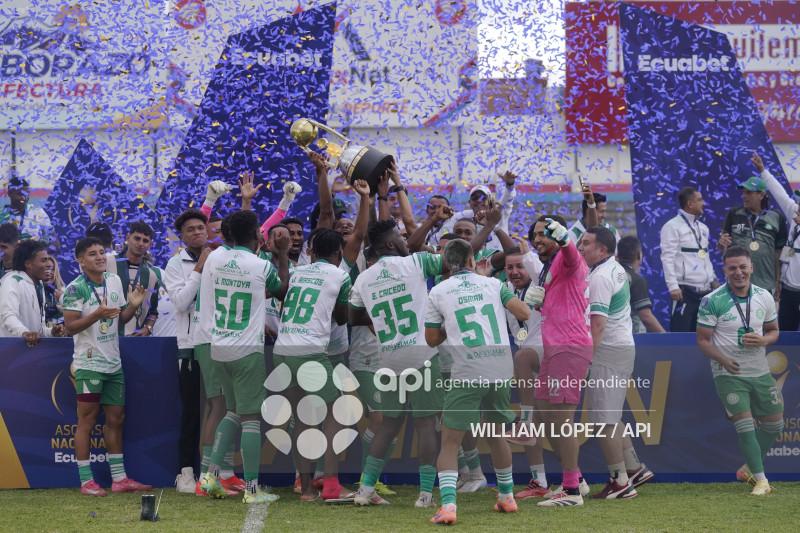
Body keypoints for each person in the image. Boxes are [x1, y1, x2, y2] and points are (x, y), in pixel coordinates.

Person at [425, 238, 530, 524]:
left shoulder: (438, 291)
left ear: (447, 263)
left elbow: (432, 340)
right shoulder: (493, 285)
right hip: (499, 368)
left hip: (467, 372)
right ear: (472, 261)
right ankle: (507, 498)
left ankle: (448, 507)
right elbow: (524, 312)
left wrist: (451, 325)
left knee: (449, 442)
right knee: (496, 434)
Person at [350, 219, 446, 507]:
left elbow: (353, 317)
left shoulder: (364, 277)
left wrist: (378, 322)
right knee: (426, 425)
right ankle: (426, 496)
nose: (407, 240)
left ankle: (365, 491)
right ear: (391, 244)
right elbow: (457, 260)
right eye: (400, 237)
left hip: (388, 359)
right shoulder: (415, 263)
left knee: (389, 425)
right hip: (422, 357)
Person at [200, 210, 290, 504]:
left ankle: (211, 477)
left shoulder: (214, 257)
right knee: (250, 418)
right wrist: (283, 254)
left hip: (218, 347)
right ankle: (252, 490)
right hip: (247, 349)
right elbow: (281, 291)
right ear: (257, 235)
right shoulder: (261, 264)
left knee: (232, 412)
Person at [273, 226, 356, 502]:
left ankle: (306, 489)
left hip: (283, 348)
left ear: (311, 251)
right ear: (338, 253)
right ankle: (331, 483)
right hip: (309, 351)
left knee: (303, 419)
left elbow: (284, 300)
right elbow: (342, 318)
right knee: (337, 412)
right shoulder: (340, 274)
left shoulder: (296, 272)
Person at [62, 237, 150, 497]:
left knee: (116, 420)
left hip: (114, 363)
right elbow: (70, 327)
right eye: (92, 254)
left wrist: (133, 306)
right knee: (86, 422)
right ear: (81, 261)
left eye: (102, 252)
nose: (100, 257)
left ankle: (119, 479)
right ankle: (86, 481)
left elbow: (120, 318)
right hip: (89, 363)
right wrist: (97, 314)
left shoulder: (113, 281)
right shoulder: (75, 288)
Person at [696, 246, 783, 496]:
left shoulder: (764, 296)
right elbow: (702, 341)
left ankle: (747, 470)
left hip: (760, 371)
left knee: (774, 425)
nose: (738, 272)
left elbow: (774, 330)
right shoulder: (712, 300)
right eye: (732, 268)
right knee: (744, 425)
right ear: (724, 270)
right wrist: (722, 359)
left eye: (743, 267)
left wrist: (764, 341)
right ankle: (761, 480)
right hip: (729, 374)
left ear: (751, 268)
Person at [579, 226, 652, 499]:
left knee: (603, 421)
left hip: (606, 350)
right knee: (612, 415)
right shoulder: (615, 269)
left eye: (586, 243)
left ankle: (620, 482)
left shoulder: (600, 276)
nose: (581, 247)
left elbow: (597, 325)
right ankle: (634, 468)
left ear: (603, 250)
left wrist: (585, 358)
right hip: (619, 346)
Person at [526, 215, 593, 507]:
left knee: (562, 422)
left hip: (569, 347)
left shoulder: (567, 258)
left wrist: (565, 240)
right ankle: (575, 479)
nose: (537, 239)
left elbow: (572, 254)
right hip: (554, 349)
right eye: (535, 235)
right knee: (543, 415)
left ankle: (572, 492)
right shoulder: (550, 267)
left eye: (544, 234)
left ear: (558, 235)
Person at [162, 209, 214, 493]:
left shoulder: (219, 259)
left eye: (200, 228)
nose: (197, 232)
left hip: (218, 345)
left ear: (207, 232)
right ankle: (185, 473)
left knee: (219, 411)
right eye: (190, 230)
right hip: (191, 348)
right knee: (192, 414)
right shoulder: (174, 264)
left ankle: (214, 472)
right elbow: (181, 303)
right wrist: (199, 268)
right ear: (182, 237)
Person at [501, 246, 551, 499]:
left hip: (549, 355)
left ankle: (526, 421)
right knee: (541, 427)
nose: (514, 272)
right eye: (509, 267)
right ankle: (540, 480)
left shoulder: (544, 285)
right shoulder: (504, 291)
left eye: (520, 266)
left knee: (549, 423)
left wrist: (498, 226)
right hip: (528, 364)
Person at [750, 151, 800, 331]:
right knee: (786, 331)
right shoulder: (794, 211)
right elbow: (779, 193)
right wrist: (763, 170)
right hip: (789, 289)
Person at [660, 186, 718, 332]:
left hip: (706, 293)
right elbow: (667, 258)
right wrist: (673, 286)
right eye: (700, 200)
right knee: (681, 336)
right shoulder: (672, 226)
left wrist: (713, 278)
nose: (704, 203)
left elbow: (705, 256)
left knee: (705, 335)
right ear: (690, 204)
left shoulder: (704, 228)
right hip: (684, 292)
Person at [718, 176, 787, 298]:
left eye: (749, 193)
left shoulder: (777, 218)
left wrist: (778, 282)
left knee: (764, 317)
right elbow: (722, 247)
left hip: (766, 285)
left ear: (761, 195)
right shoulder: (733, 214)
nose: (744, 196)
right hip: (737, 284)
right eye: (743, 192)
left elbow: (779, 253)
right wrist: (721, 243)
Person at [0, 240, 66, 342]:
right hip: (9, 352)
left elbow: (38, 330)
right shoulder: (12, 281)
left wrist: (51, 332)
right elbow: (7, 317)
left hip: (29, 353)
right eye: (43, 260)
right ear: (28, 264)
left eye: (48, 260)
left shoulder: (39, 285)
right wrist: (24, 333)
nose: (49, 264)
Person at [104, 221, 160, 337]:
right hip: (105, 337)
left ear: (150, 245)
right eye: (137, 238)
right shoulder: (107, 263)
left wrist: (148, 328)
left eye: (145, 241)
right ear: (128, 238)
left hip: (136, 341)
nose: (140, 244)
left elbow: (153, 311)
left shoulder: (152, 275)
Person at [438, 171, 518, 250]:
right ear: (469, 202)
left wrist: (510, 185)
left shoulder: (498, 214)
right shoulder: (462, 216)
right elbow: (443, 233)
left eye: (483, 197)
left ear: (491, 200)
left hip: (497, 260)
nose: (479, 201)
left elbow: (507, 200)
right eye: (475, 198)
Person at [616, 237, 665, 333]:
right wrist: (667, 339)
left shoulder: (608, 274)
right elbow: (646, 317)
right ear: (639, 255)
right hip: (627, 338)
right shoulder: (636, 280)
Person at [0, 176, 59, 252]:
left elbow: (56, 245)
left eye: (27, 194)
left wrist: (33, 255)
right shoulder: (1, 215)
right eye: (20, 194)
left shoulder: (39, 213)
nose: (25, 198)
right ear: (9, 193)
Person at [43, 255, 65, 327]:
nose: (50, 272)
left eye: (53, 269)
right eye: (46, 269)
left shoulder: (65, 291)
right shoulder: (34, 292)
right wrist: (56, 308)